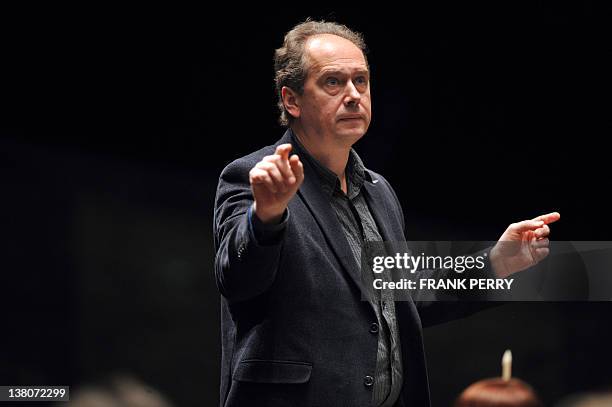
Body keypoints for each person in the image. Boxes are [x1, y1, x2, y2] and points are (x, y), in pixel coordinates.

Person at [213, 19, 560, 407]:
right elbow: (238, 280)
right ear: (291, 100)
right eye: (333, 82)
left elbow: (405, 296)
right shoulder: (253, 176)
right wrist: (267, 215)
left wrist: (496, 263)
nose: (352, 95)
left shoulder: (378, 192)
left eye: (361, 81)